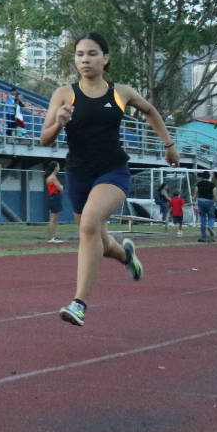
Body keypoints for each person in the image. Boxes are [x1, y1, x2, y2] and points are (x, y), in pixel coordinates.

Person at [40, 31, 178, 327]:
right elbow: (44, 140)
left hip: (113, 172)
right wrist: (59, 123)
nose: (85, 59)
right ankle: (126, 256)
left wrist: (168, 144)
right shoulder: (64, 94)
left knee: (88, 226)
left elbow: (151, 111)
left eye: (92, 53)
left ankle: (79, 304)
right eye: (79, 54)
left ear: (106, 58)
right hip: (78, 174)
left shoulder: (121, 92)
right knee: (98, 240)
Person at [43, 161, 64, 243]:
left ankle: (53, 237)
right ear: (55, 168)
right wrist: (62, 186)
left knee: (53, 219)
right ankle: (52, 238)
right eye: (58, 166)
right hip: (55, 197)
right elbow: (60, 188)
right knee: (53, 219)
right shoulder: (53, 177)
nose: (59, 167)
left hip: (53, 197)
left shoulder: (50, 177)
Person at [194, 171, 217, 242]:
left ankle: (203, 236)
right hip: (209, 201)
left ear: (202, 177)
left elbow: (195, 194)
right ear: (209, 177)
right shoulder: (212, 185)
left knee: (203, 218)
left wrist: (195, 199)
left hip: (200, 201)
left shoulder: (198, 184)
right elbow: (215, 194)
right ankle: (210, 227)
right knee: (211, 216)